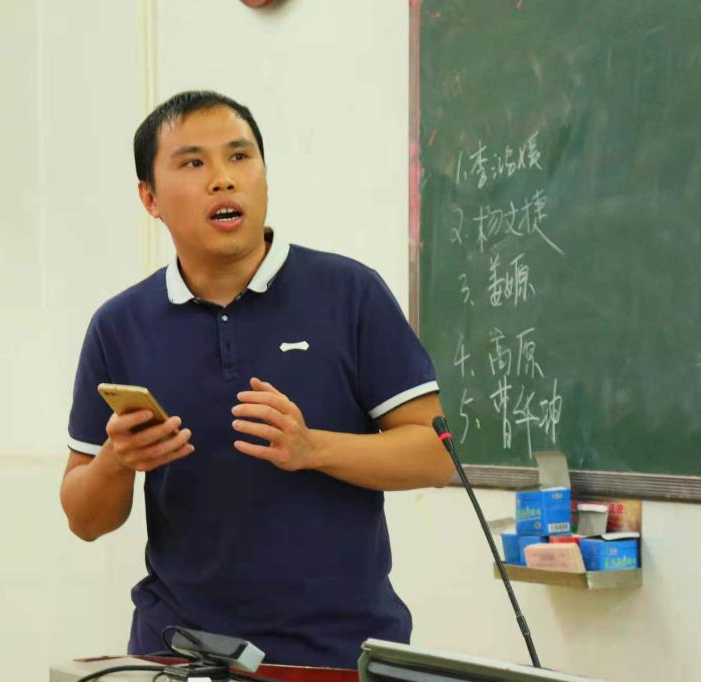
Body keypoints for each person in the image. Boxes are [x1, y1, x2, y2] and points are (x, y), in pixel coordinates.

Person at [59, 90, 453, 669]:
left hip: (337, 657)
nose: (223, 179)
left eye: (240, 157)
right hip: (179, 656)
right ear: (150, 198)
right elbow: (84, 519)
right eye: (194, 163)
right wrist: (117, 461)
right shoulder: (120, 325)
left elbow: (437, 455)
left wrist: (313, 448)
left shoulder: (350, 293)